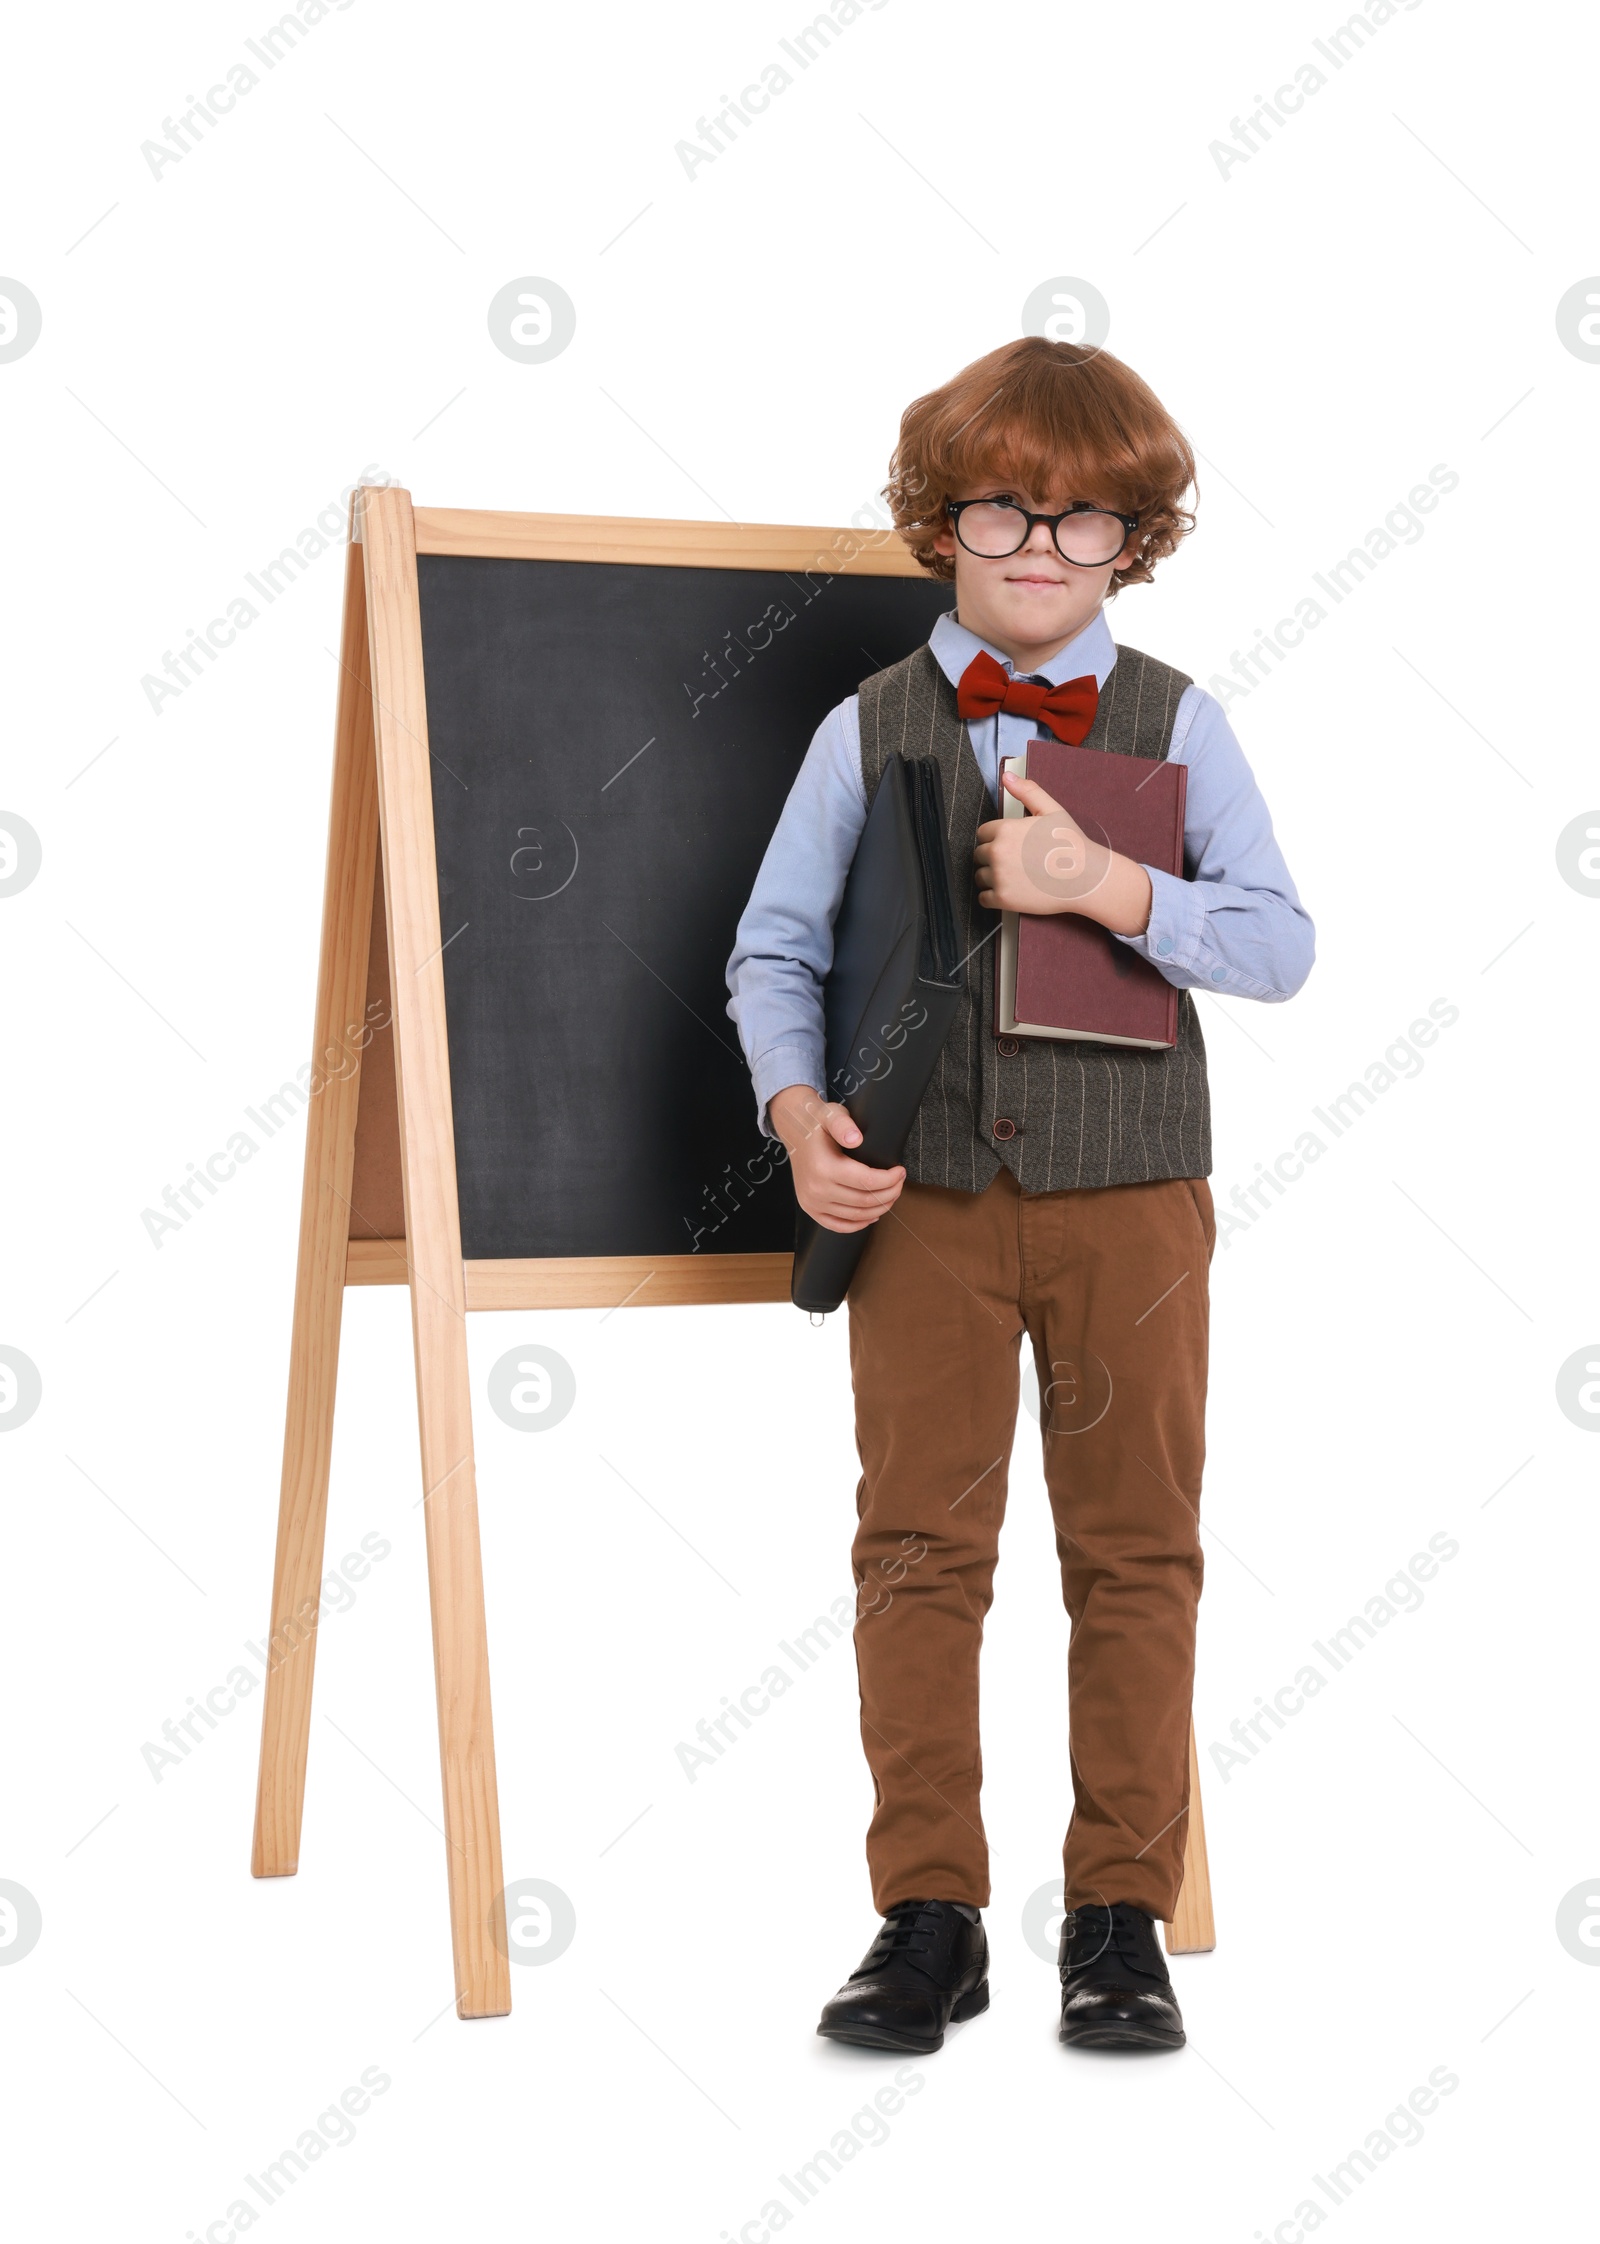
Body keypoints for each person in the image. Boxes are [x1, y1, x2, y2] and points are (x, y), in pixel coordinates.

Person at [725, 336, 1314, 2055]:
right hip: (921, 1200)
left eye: (1086, 521)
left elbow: (1280, 943)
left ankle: (1119, 1910)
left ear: (1135, 540)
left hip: (1136, 1198)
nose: (1043, 549)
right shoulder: (867, 727)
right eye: (1007, 511)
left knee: (1137, 1550)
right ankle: (929, 1914)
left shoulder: (1181, 719)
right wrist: (796, 1111)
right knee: (918, 1550)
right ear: (941, 522)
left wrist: (1110, 880)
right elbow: (774, 946)